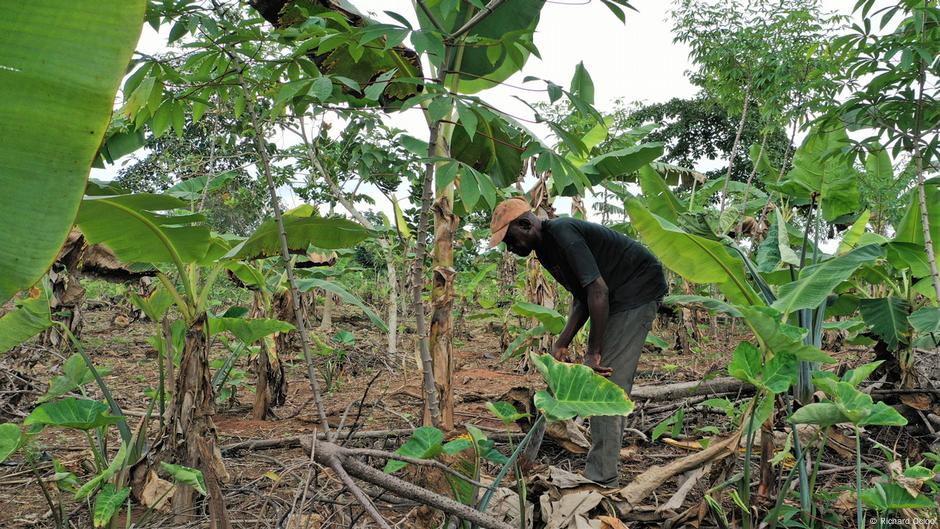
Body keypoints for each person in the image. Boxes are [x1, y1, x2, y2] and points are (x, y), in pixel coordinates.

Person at [489, 197, 667, 487]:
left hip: (636, 290)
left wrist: (593, 353)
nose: (510, 248)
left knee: (606, 383)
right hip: (616, 296)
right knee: (603, 380)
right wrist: (562, 342)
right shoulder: (545, 250)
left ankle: (602, 480)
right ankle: (602, 470)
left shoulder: (562, 232)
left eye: (510, 239)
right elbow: (582, 297)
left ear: (526, 224)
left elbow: (598, 291)